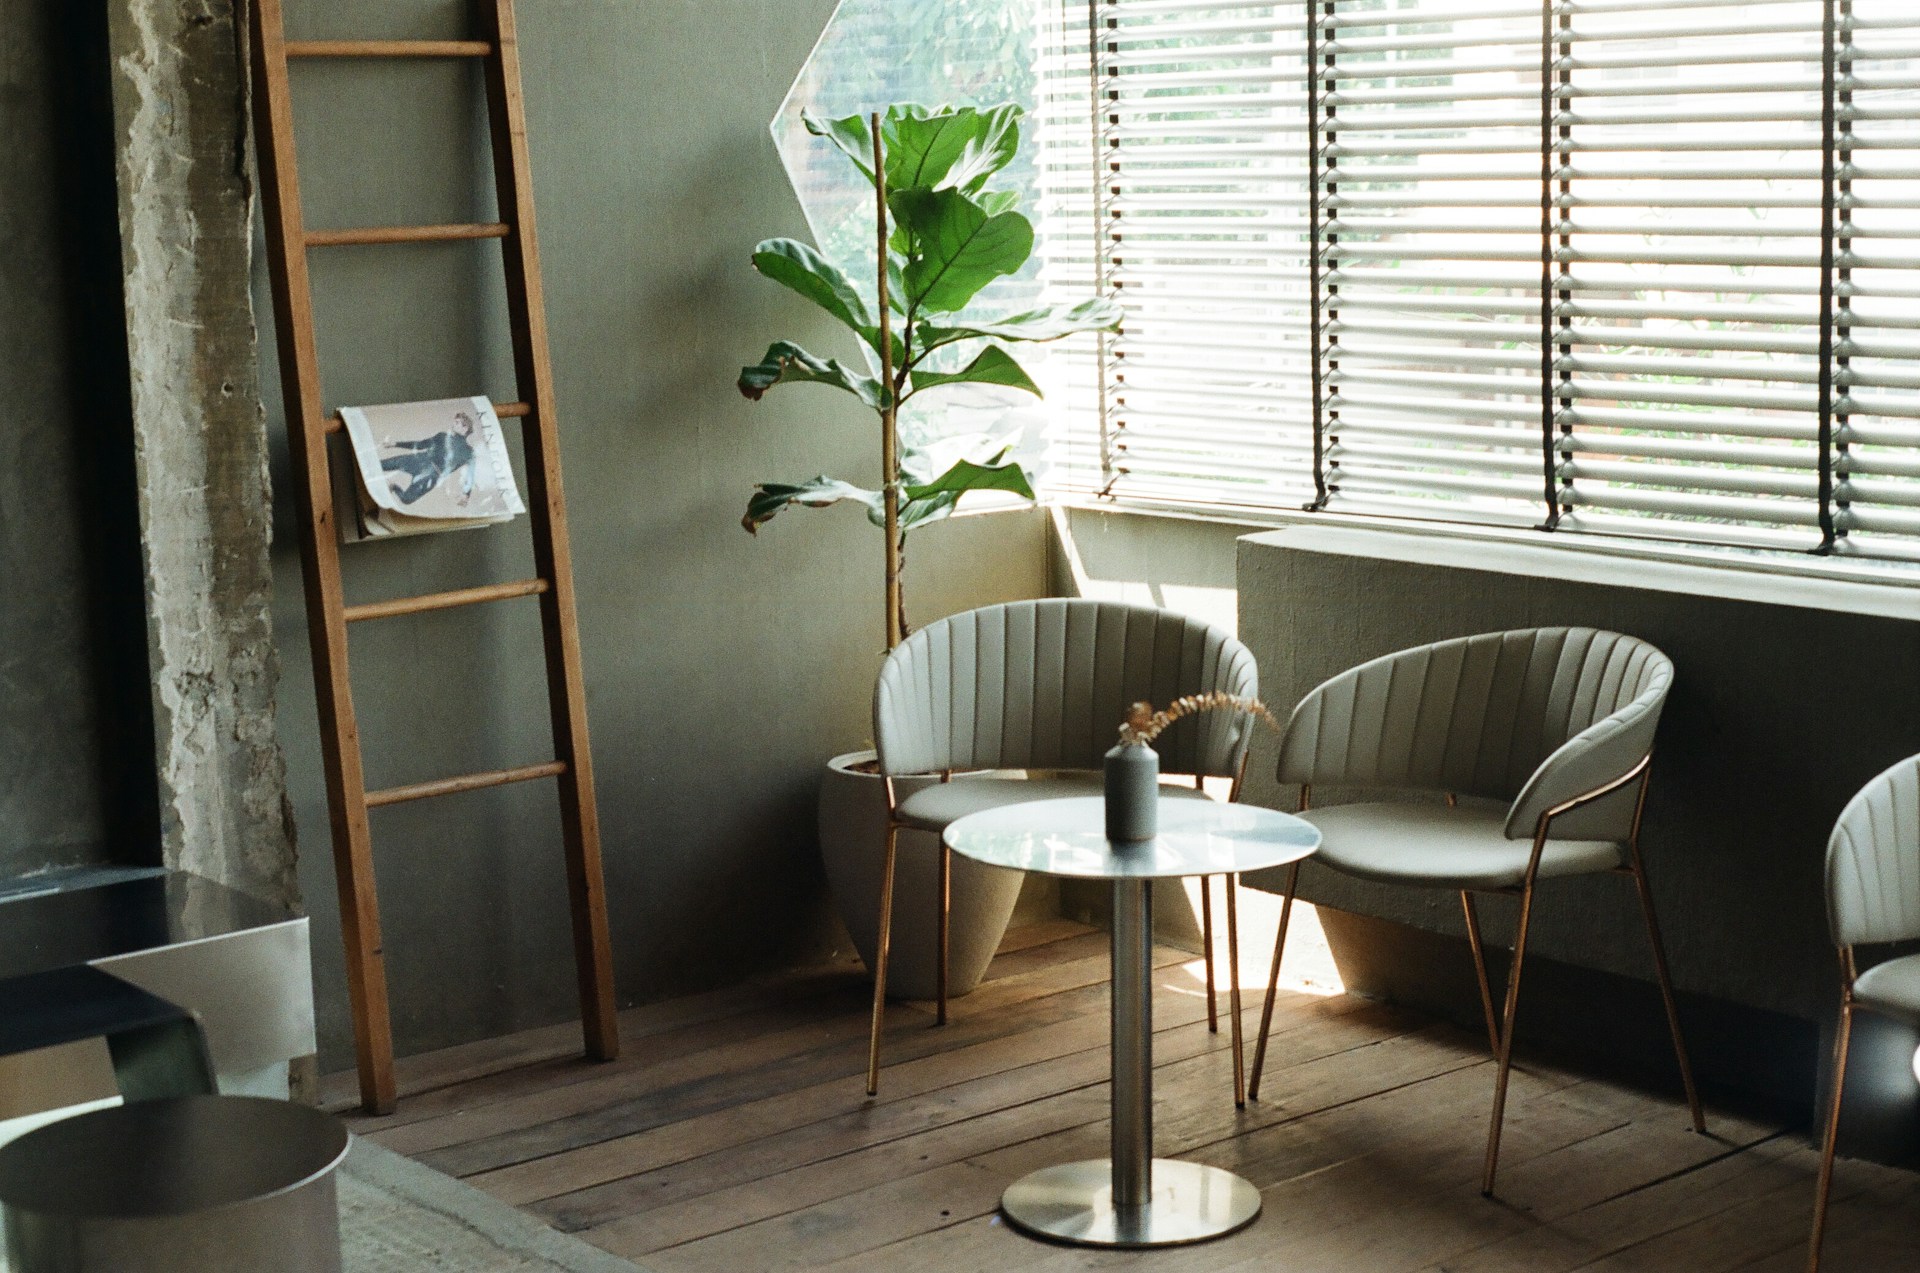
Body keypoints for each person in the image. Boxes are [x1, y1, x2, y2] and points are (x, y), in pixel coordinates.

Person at [382, 412, 479, 506]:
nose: (453, 425)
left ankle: (393, 486)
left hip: (431, 475)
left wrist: (466, 495)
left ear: (465, 428)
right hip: (419, 460)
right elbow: (420, 445)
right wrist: (395, 444)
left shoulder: (469, 452)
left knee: (406, 499)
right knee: (383, 465)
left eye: (457, 423)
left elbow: (470, 475)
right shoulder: (442, 436)